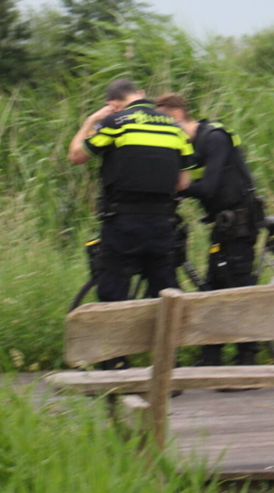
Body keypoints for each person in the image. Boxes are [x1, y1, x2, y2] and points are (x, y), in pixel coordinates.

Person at [68, 79, 193, 368]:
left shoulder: (115, 122)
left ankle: (114, 365)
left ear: (112, 104)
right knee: (164, 290)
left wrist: (90, 121)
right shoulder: (175, 128)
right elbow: (183, 183)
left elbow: (76, 156)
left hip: (123, 223)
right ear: (141, 95)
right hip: (162, 224)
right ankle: (167, 368)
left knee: (114, 289)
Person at [155, 93, 263, 367]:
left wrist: (177, 189)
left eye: (163, 122)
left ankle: (247, 359)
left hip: (240, 223)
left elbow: (208, 187)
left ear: (176, 115)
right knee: (213, 287)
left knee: (238, 289)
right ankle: (210, 358)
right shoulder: (192, 145)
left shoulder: (214, 138)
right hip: (223, 225)